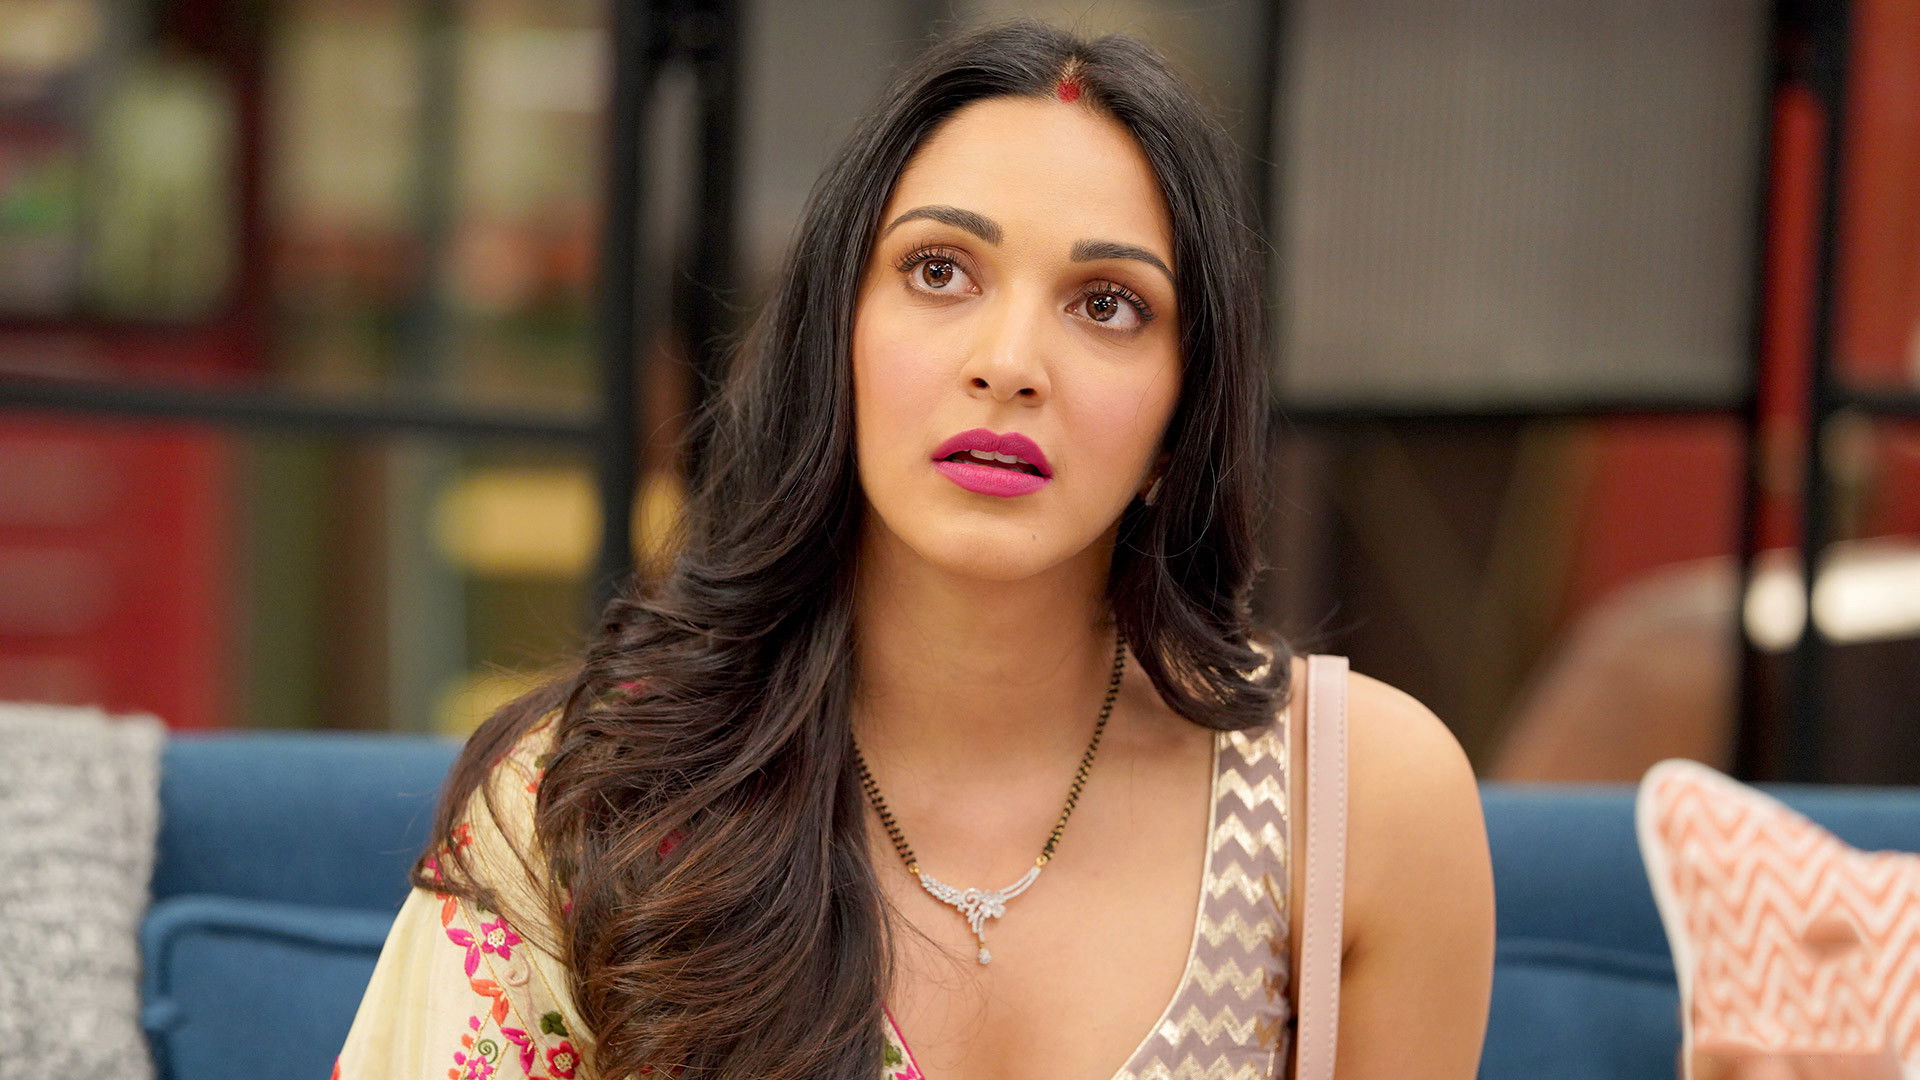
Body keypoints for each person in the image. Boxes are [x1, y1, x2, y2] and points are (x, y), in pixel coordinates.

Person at [333, 17, 1494, 1080]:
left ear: (1182, 418)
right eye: (940, 272)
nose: (1009, 363)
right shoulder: (590, 801)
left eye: (1107, 304)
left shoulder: (1354, 802)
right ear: (834, 342)